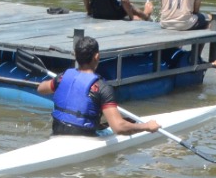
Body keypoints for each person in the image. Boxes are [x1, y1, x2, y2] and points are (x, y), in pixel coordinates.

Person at [35, 35, 164, 138]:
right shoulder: (102, 87)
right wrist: (146, 127)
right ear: (97, 57)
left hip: (57, 132)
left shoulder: (62, 77)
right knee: (119, 122)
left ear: (75, 55)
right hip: (84, 138)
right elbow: (118, 128)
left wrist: (58, 81)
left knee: (104, 123)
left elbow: (41, 88)